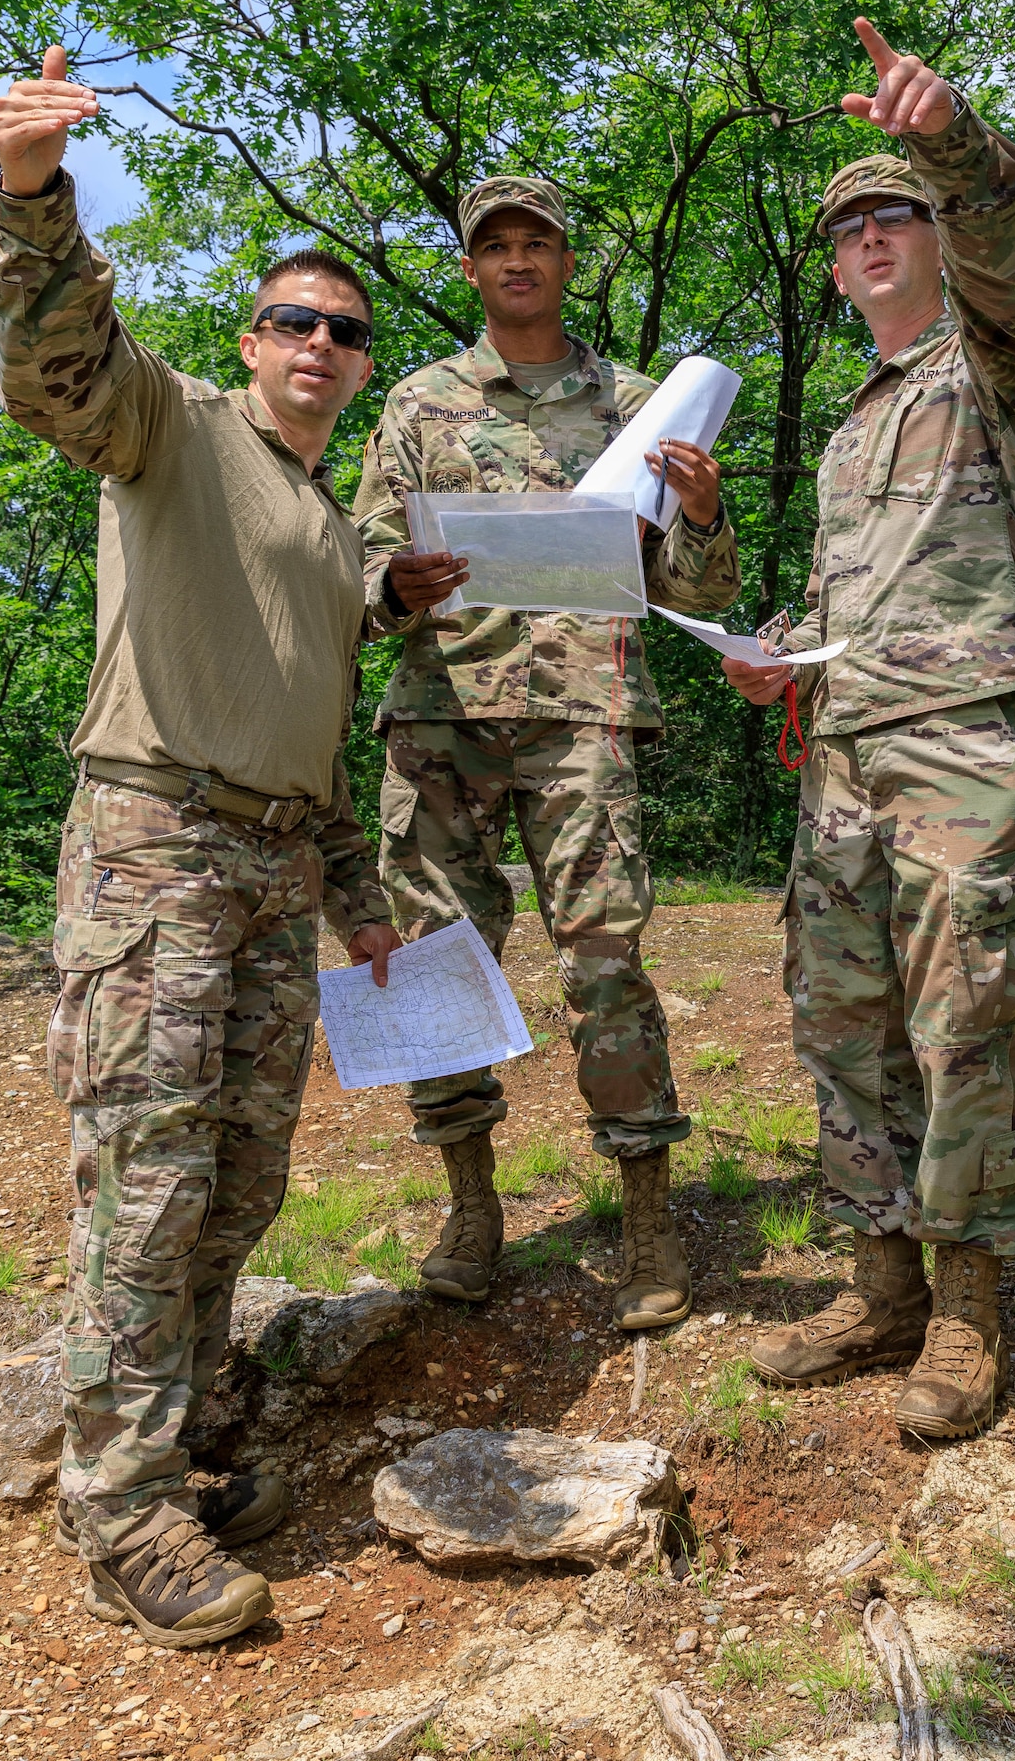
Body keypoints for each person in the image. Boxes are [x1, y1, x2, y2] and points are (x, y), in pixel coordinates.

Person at [0, 47, 402, 1645]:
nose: (318, 343)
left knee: (235, 1184)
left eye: (345, 331)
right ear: (252, 341)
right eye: (294, 319)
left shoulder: (331, 523)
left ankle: (179, 1431)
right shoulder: (174, 425)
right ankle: (120, 1507)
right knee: (145, 1191)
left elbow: (313, 723)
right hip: (155, 849)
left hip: (276, 869)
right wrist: (32, 202)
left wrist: (354, 899)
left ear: (360, 369)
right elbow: (55, 365)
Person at [724, 20, 1015, 1440]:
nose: (870, 235)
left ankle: (972, 1305)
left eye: (895, 215)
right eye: (848, 225)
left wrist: (952, 145)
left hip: (963, 750)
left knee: (962, 1022)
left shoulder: (992, 364)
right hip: (850, 751)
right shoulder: (848, 429)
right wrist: (776, 663)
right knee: (841, 1023)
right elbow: (839, 603)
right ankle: (881, 1284)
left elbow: (1008, 246)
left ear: (933, 235)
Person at [353, 175, 740, 1329]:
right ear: (469, 269)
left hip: (583, 716)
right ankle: (471, 1207)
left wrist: (706, 517)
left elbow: (691, 585)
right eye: (495, 247)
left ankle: (647, 1215)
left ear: (568, 263)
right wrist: (391, 585)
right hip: (441, 717)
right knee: (432, 964)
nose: (517, 261)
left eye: (538, 244)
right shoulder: (419, 406)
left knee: (605, 961)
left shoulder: (643, 405)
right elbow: (364, 568)